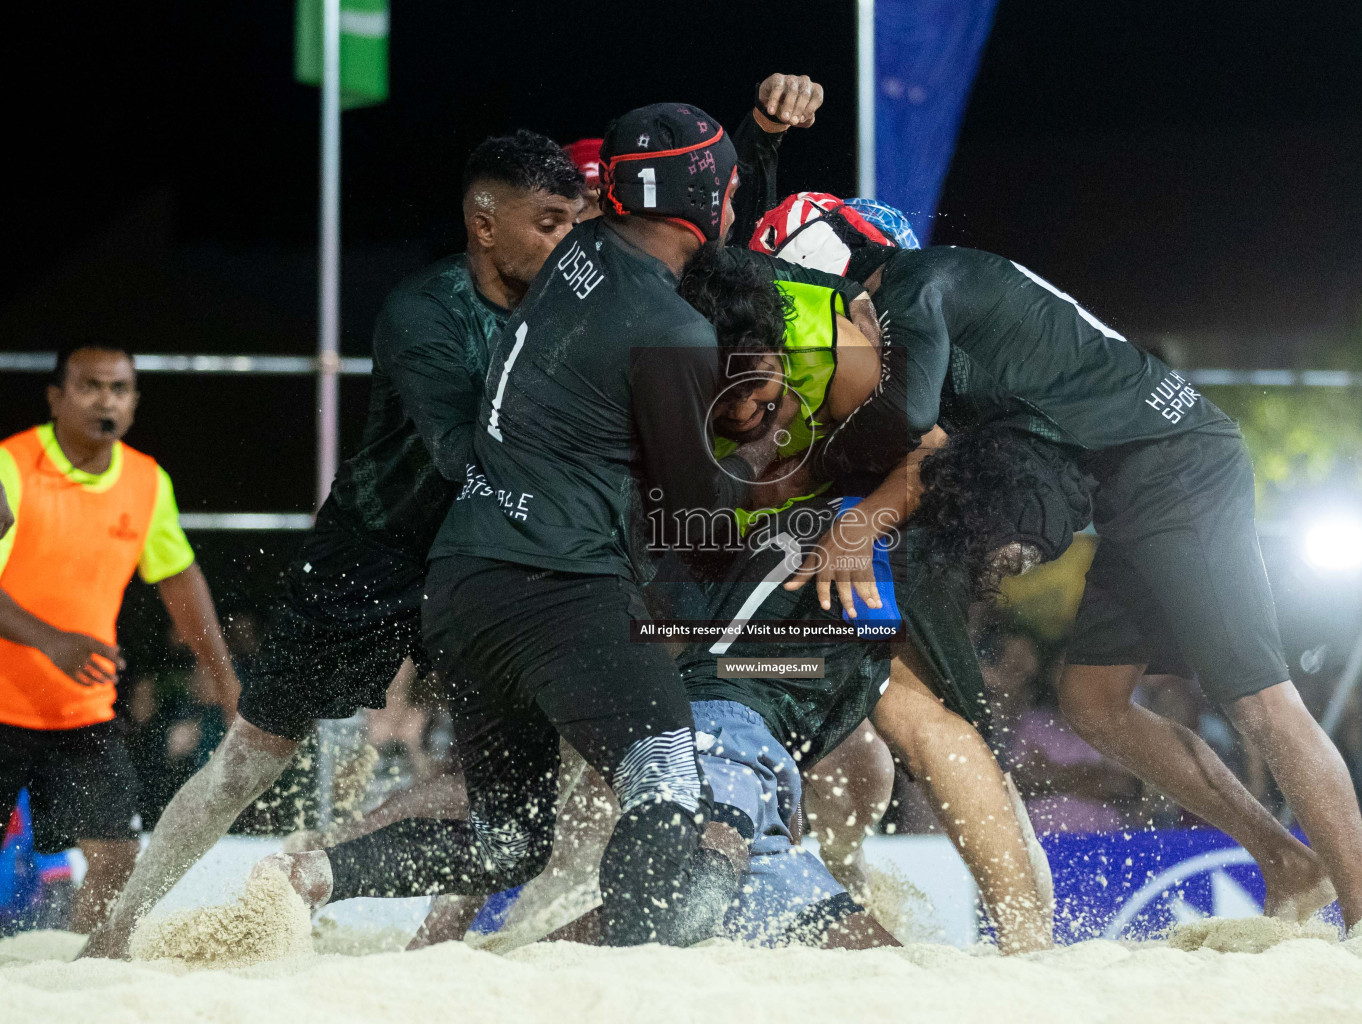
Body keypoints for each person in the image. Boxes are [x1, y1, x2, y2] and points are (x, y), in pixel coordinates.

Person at [274, 104, 822, 948]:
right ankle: (614, 972)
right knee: (667, 788)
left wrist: (760, 142)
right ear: (707, 197)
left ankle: (311, 875)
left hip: (463, 583)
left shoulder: (577, 251)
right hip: (560, 588)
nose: (736, 206)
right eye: (732, 188)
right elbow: (700, 524)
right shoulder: (671, 331)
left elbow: (696, 215)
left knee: (509, 842)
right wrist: (770, 447)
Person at [755, 194, 1362, 929]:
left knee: (1261, 702)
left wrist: (832, 496)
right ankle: (1286, 864)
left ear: (821, 270)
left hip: (1177, 463)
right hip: (1127, 481)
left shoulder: (912, 287)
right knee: (1092, 704)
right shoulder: (938, 286)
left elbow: (910, 421)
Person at [79, 131, 588, 959]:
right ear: (485, 223)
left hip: (481, 563)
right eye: (551, 223)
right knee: (250, 761)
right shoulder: (425, 311)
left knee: (503, 772)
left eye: (576, 225)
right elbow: (465, 454)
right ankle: (115, 933)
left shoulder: (572, 304)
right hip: (371, 558)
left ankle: (433, 943)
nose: (566, 243)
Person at [0, 344, 241, 933]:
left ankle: (83, 980)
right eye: (89, 386)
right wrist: (52, 641)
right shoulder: (11, 464)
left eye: (120, 388)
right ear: (55, 398)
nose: (105, 400)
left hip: (82, 711)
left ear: (134, 402)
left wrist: (225, 676)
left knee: (117, 862)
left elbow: (181, 581)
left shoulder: (146, 481)